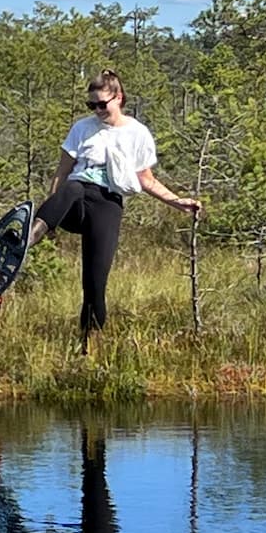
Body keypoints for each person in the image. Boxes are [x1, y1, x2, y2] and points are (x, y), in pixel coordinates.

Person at [27, 69, 202, 347]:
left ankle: (89, 344)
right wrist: (52, 209)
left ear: (118, 98)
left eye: (101, 104)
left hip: (107, 204)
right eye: (91, 105)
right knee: (72, 186)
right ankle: (30, 236)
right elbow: (61, 172)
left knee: (94, 284)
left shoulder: (137, 133)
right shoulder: (82, 128)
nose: (96, 110)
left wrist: (177, 201)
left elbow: (146, 180)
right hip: (74, 200)